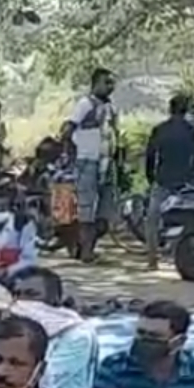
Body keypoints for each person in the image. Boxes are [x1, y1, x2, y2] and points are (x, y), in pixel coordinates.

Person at [59, 67, 120, 262]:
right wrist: (71, 154)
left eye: (112, 83)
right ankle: (86, 252)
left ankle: (85, 248)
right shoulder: (85, 104)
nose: (110, 86)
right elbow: (68, 130)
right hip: (87, 163)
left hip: (106, 164)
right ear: (95, 84)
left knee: (104, 214)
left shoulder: (111, 108)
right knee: (86, 211)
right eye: (106, 82)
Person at [143, 94, 194, 269]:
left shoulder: (160, 129)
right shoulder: (191, 130)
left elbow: (150, 156)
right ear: (186, 110)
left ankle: (152, 259)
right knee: (187, 220)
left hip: (162, 180)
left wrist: (150, 177)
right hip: (184, 182)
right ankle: (182, 257)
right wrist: (193, 176)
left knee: (152, 219)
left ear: (170, 109)